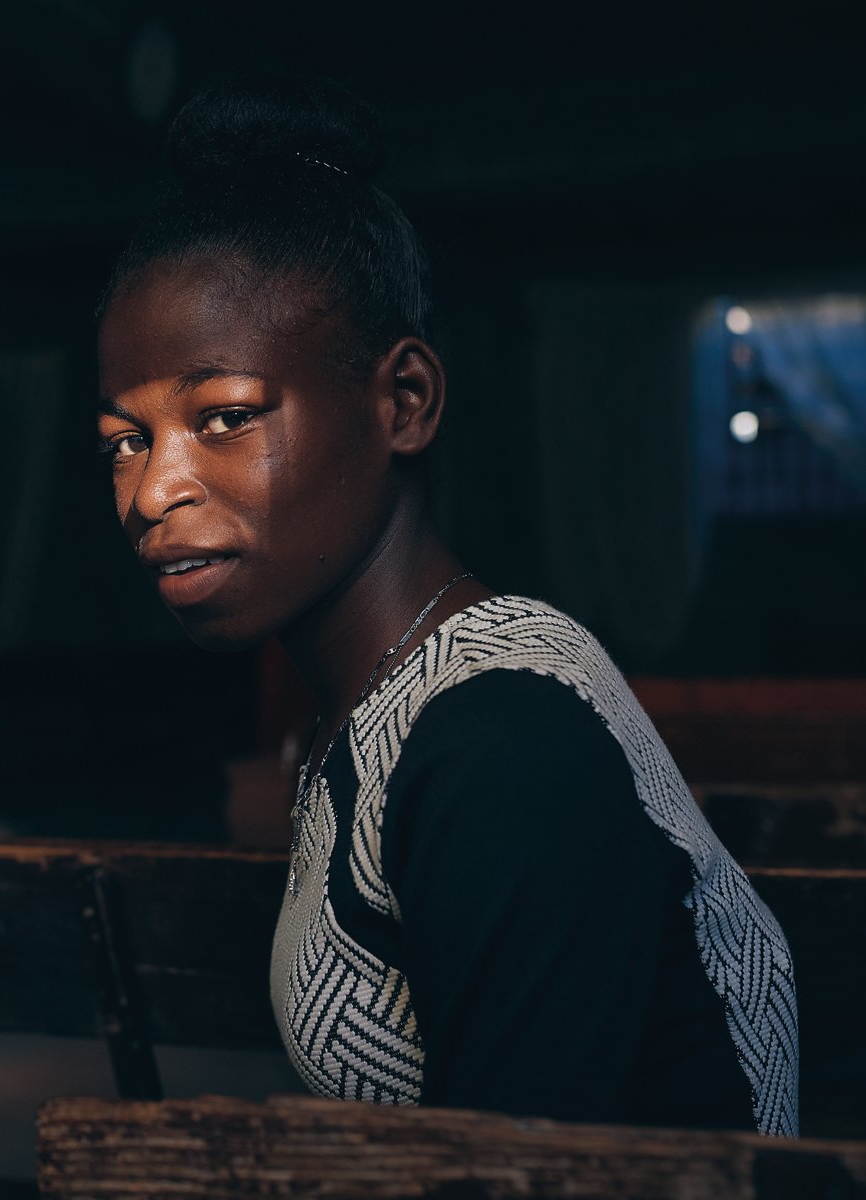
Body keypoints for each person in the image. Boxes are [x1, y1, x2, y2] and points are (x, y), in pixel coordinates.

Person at [93, 74, 798, 1135]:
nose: (153, 492)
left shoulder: (502, 740)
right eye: (124, 442)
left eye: (227, 417)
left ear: (403, 401)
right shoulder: (383, 700)